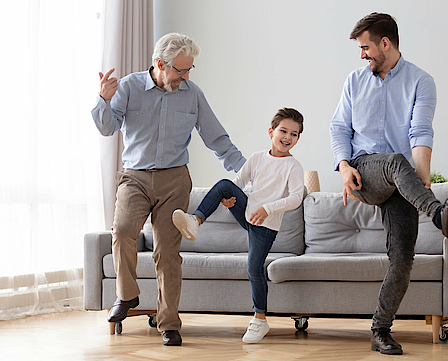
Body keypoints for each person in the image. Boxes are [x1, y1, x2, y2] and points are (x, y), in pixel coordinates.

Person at [91, 33, 246, 346]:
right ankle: (127, 295)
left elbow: (217, 138)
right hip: (134, 177)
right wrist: (104, 99)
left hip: (174, 179)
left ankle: (169, 323)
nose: (185, 77)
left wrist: (247, 172)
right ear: (160, 64)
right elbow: (107, 128)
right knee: (121, 231)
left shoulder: (192, 94)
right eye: (180, 70)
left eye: (189, 70)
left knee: (168, 252)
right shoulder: (130, 88)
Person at [329, 13, 448, 355]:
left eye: (366, 48)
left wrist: (422, 178)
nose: (362, 55)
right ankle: (439, 215)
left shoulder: (421, 81)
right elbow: (339, 128)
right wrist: (344, 167)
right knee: (393, 160)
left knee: (403, 258)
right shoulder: (354, 81)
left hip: (401, 179)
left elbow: (420, 131)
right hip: (364, 173)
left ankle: (380, 330)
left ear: (385, 44)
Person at [172, 107, 304, 343]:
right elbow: (237, 182)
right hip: (247, 212)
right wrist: (227, 198)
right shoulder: (256, 158)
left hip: (265, 224)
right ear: (271, 131)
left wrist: (268, 208)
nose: (288, 137)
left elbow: (296, 197)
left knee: (254, 269)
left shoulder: (293, 166)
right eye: (283, 131)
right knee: (224, 184)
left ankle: (260, 320)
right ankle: (196, 220)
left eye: (294, 134)